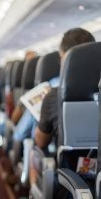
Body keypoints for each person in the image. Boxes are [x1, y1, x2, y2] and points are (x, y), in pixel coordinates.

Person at [29, 28, 96, 188]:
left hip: (69, 184)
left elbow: (41, 140)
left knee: (34, 153)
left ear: (65, 59)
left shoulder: (54, 96)